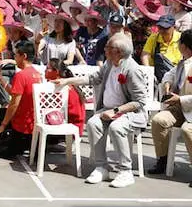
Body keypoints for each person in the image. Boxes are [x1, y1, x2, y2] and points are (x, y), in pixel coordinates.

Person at [54, 33, 149, 188]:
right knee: (93, 123)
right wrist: (67, 81)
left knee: (116, 127)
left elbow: (139, 101)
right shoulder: (109, 63)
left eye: (108, 47)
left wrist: (116, 111)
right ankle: (101, 167)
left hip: (131, 113)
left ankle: (126, 171)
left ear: (118, 51)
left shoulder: (132, 69)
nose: (105, 49)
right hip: (108, 110)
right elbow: (93, 79)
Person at [148, 29, 192, 185]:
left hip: (189, 109)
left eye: (180, 42)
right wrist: (167, 85)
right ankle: (164, 159)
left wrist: (180, 99)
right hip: (179, 107)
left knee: (188, 130)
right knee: (158, 120)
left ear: (184, 46)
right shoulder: (183, 61)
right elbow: (170, 74)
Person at [0, 41, 42, 158]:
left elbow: (14, 104)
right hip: (32, 122)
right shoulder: (37, 74)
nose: (14, 58)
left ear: (24, 56)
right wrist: (1, 79)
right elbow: (15, 93)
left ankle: (17, 143)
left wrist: (3, 125)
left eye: (16, 55)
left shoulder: (21, 75)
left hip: (22, 125)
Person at [141, 14, 182, 83]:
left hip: (176, 74)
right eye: (160, 27)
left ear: (173, 27)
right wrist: (148, 72)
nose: (162, 30)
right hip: (157, 75)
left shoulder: (181, 38)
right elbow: (145, 55)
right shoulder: (153, 38)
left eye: (166, 28)